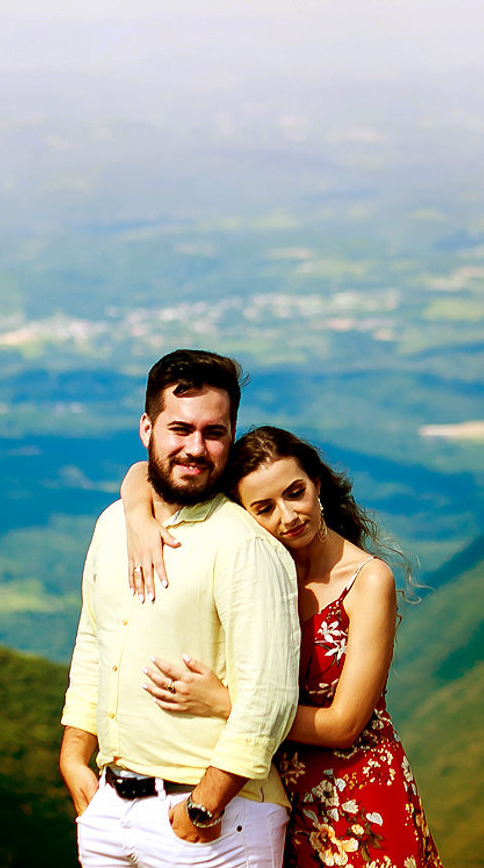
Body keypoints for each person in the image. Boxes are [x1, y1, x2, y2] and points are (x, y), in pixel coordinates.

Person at [122, 426, 444, 868]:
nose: (288, 516)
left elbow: (343, 725)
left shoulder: (367, 580)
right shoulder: (261, 570)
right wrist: (138, 518)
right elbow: (145, 472)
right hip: (272, 797)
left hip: (359, 800)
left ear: (318, 484)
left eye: (296, 493)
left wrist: (226, 703)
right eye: (265, 508)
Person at [61, 349, 302, 868]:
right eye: (180, 429)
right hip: (108, 807)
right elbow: (93, 641)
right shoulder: (112, 525)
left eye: (214, 432)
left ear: (231, 437)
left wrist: (204, 805)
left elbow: (271, 697)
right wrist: (73, 754)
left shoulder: (246, 546)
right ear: (147, 429)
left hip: (215, 823)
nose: (196, 447)